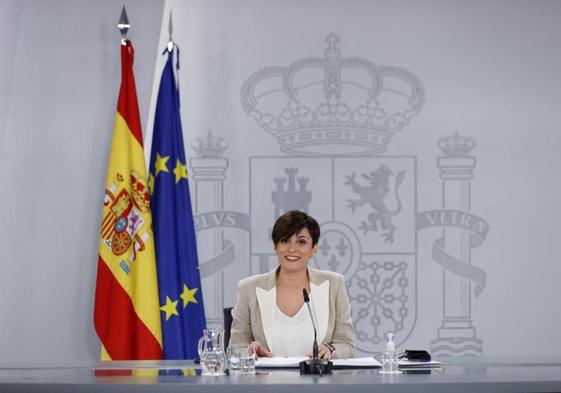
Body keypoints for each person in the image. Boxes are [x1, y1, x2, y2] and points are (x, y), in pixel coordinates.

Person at [229, 210, 354, 359]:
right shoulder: (248, 288)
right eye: (284, 241)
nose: (292, 249)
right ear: (275, 247)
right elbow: (236, 348)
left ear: (314, 248)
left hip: (320, 381)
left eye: (301, 242)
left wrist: (331, 351)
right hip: (264, 381)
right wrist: (250, 352)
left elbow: (346, 345)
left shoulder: (334, 284)